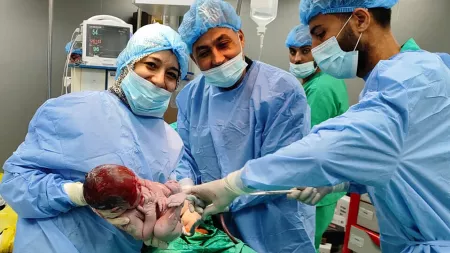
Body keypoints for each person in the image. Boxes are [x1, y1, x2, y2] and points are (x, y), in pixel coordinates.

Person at [184, 0, 450, 252]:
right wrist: (343, 183)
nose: (315, 46)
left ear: (359, 19)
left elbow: (327, 147)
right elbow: (405, 168)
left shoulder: (410, 84)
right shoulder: (412, 74)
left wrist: (232, 185)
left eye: (320, 34)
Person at [0, 23, 189, 253]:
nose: (160, 80)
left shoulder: (171, 142)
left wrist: (165, 220)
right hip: (50, 243)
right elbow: (16, 182)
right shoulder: (69, 110)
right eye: (151, 65)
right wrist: (79, 194)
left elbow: (159, 201)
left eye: (171, 74)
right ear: (129, 64)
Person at [175, 0, 316, 252]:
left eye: (223, 43)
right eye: (204, 52)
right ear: (193, 58)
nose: (217, 58)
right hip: (215, 229)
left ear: (240, 37)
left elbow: (279, 168)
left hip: (273, 227)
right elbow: (185, 154)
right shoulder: (190, 97)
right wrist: (188, 191)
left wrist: (225, 195)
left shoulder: (281, 91)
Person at [286, 23, 349, 252]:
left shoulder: (320, 89)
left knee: (303, 245)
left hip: (316, 189)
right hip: (320, 186)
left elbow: (304, 144)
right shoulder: (321, 81)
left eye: (305, 50)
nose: (297, 59)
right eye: (292, 52)